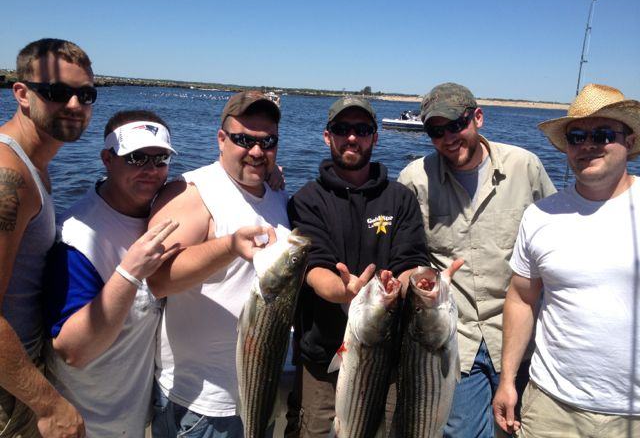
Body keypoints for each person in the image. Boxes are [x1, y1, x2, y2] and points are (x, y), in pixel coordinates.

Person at [397, 82, 556, 438]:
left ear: (478, 118)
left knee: (521, 430)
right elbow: (405, 255)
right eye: (436, 131)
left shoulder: (524, 166)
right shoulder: (414, 179)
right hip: (456, 340)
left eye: (456, 124)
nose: (448, 137)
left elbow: (561, 238)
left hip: (522, 338)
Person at [493, 83, 640, 437]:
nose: (588, 145)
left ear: (630, 142)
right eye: (577, 136)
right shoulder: (540, 215)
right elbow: (522, 297)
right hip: (550, 405)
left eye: (603, 134)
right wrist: (508, 379)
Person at [287, 96, 432, 437]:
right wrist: (345, 291)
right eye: (342, 129)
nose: (352, 137)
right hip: (322, 358)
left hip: (389, 356)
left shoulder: (400, 198)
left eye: (362, 129)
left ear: (375, 137)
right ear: (328, 136)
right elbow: (314, 268)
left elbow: (410, 262)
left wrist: (415, 282)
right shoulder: (306, 199)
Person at [147, 90, 289, 437]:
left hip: (258, 395)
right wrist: (228, 247)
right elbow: (157, 279)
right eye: (244, 140)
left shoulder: (276, 194)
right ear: (221, 139)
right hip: (201, 408)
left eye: (267, 142)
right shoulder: (192, 191)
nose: (257, 151)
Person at [42, 111, 180, 436]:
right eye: (136, 158)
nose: (150, 170)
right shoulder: (77, 238)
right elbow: (72, 351)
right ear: (107, 158)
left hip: (134, 417)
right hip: (87, 423)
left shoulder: (164, 210)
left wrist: (269, 176)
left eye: (160, 159)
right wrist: (130, 273)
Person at [0, 38, 94, 438]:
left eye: (85, 94)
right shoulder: (10, 177)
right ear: (21, 93)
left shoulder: (34, 167)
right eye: (57, 93)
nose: (74, 105)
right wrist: (49, 403)